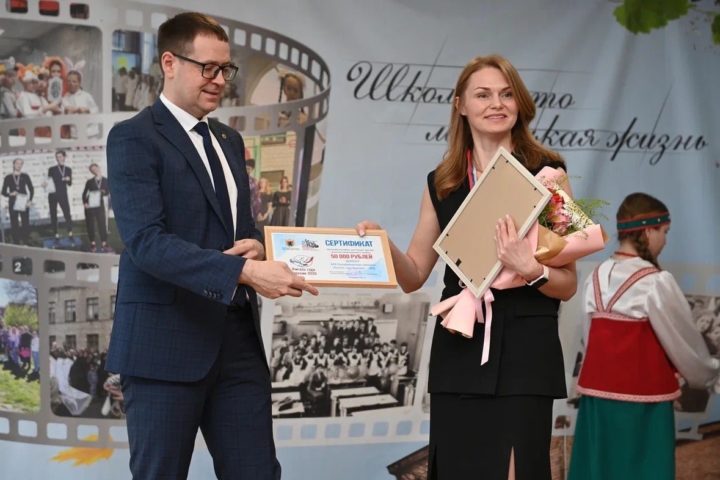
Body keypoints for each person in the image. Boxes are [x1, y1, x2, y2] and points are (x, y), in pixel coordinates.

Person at [105, 12, 318, 480]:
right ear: (169, 63)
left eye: (226, 69)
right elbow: (146, 242)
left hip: (237, 345)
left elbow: (240, 228)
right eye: (209, 68)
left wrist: (256, 246)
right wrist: (243, 272)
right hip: (164, 347)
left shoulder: (228, 139)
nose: (220, 80)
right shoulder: (133, 138)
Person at [356, 54, 576, 480]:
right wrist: (383, 245)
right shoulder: (442, 181)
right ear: (460, 105)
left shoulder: (551, 174)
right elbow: (414, 275)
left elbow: (567, 283)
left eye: (506, 94)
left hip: (526, 356)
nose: (497, 104)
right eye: (483, 95)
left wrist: (530, 268)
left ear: (519, 103)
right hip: (460, 351)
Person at [568, 192, 720, 480]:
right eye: (664, 232)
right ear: (649, 231)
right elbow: (684, 344)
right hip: (645, 407)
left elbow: (590, 340)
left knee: (601, 470)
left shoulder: (595, 278)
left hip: (597, 405)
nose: (665, 240)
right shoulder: (655, 282)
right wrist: (709, 373)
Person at [2, 158, 34, 244]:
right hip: (13, 202)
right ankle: (16, 242)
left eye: (20, 164)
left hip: (23, 201)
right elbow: (3, 192)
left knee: (25, 222)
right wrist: (10, 194)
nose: (19, 165)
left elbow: (31, 189)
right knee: (14, 223)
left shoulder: (25, 176)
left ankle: (26, 241)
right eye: (17, 163)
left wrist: (30, 200)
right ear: (13, 164)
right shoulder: (8, 177)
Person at [81, 163, 109, 252]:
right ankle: (92, 243)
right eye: (92, 170)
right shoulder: (89, 181)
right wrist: (85, 203)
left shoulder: (105, 180)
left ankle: (104, 243)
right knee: (90, 224)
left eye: (95, 168)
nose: (94, 171)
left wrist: (104, 192)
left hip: (99, 205)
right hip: (90, 206)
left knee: (102, 224)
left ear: (98, 168)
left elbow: (108, 192)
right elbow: (84, 194)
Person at [47, 149, 73, 239]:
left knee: (67, 213)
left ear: (64, 157)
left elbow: (70, 184)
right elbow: (49, 182)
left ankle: (70, 231)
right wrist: (45, 184)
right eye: (57, 157)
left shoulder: (68, 169)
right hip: (52, 194)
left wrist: (68, 180)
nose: (59, 158)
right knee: (53, 214)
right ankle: (55, 233)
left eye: (60, 156)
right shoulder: (51, 169)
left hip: (63, 194)